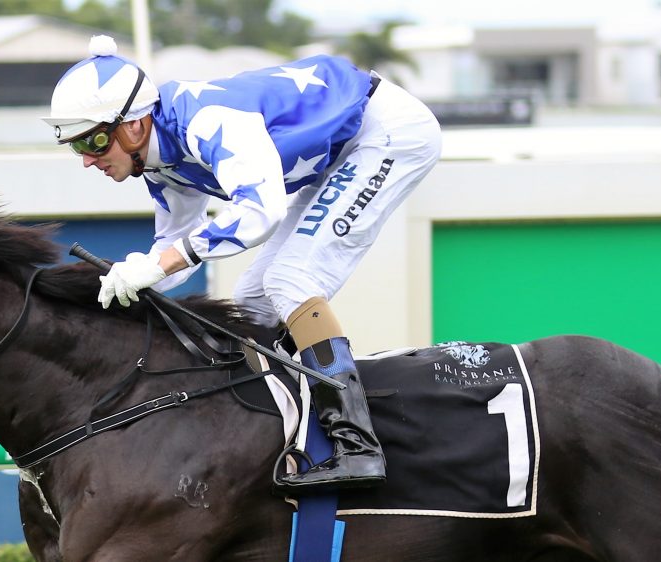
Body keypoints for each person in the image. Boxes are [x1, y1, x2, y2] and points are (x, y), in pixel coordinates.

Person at [43, 35, 441, 492]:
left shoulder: (207, 122)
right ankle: (279, 428)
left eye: (94, 141)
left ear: (133, 125)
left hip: (386, 132)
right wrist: (131, 275)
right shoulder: (156, 159)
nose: (88, 160)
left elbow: (259, 212)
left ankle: (357, 445)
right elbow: (174, 248)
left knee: (291, 279)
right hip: (338, 150)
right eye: (76, 147)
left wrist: (163, 263)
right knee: (251, 300)